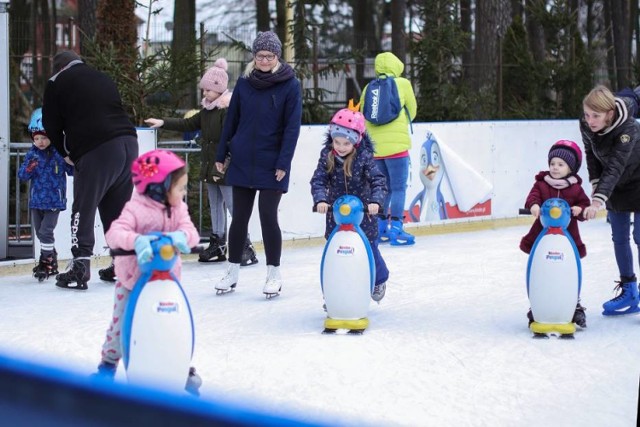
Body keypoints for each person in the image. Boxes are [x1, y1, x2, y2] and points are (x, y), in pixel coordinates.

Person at [91, 149, 201, 395]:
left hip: (167, 280)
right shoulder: (135, 208)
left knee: (174, 323)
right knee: (120, 327)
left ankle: (180, 366)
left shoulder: (178, 208)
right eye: (180, 188)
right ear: (159, 186)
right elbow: (114, 234)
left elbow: (191, 232)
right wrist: (136, 241)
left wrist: (181, 236)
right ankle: (107, 366)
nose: (184, 193)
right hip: (132, 281)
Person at [145, 58, 258, 267]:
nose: (204, 93)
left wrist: (227, 160)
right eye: (203, 90)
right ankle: (218, 243)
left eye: (207, 90)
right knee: (215, 205)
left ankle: (245, 246)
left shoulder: (226, 111)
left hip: (226, 167)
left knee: (234, 207)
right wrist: (163, 122)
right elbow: (187, 123)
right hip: (210, 167)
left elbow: (234, 138)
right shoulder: (207, 111)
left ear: (219, 89)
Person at [214, 31, 302, 298]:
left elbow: (291, 128)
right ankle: (232, 271)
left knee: (267, 216)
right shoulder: (244, 83)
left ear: (277, 57)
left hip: (272, 161)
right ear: (254, 56)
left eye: (270, 56)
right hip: (242, 159)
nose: (264, 60)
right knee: (239, 217)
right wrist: (221, 154)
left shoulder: (290, 85)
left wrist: (283, 162)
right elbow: (232, 121)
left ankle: (273, 273)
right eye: (260, 55)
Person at [42, 50, 139, 290]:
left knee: (83, 207)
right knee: (116, 208)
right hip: (129, 143)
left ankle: (80, 266)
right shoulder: (102, 77)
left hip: (97, 149)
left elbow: (50, 124)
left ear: (59, 68)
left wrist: (66, 154)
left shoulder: (56, 82)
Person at [310, 103, 389, 302]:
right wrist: (320, 199)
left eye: (346, 143)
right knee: (336, 253)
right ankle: (335, 294)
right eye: (337, 142)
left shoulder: (364, 157)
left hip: (364, 216)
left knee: (369, 248)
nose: (341, 147)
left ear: (356, 141)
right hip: (336, 216)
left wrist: (375, 203)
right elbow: (318, 179)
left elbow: (378, 181)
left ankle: (379, 279)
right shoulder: (327, 155)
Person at [582, 84, 640, 316]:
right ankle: (630, 291)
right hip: (614, 185)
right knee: (619, 237)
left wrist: (597, 200)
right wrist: (596, 185)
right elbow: (591, 155)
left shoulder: (629, 128)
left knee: (639, 236)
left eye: (595, 116)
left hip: (638, 178)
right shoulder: (587, 124)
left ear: (610, 114)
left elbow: (617, 164)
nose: (590, 120)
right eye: (587, 115)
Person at [519, 140, 591, 327]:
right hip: (542, 233)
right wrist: (534, 205)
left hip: (568, 235)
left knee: (569, 269)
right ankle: (538, 303)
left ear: (571, 168)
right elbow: (533, 196)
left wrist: (579, 209)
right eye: (552, 164)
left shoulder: (575, 188)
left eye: (560, 164)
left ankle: (574, 304)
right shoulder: (542, 184)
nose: (555, 168)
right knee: (539, 267)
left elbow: (584, 204)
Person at [359, 51, 417, 246]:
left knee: (383, 189)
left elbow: (362, 113)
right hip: (397, 148)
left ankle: (381, 227)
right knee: (398, 188)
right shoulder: (403, 84)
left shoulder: (369, 87)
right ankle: (397, 228)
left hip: (375, 149)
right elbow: (413, 110)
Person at [18, 108, 74, 281]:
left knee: (46, 231)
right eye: (36, 139)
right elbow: (22, 176)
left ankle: (46, 262)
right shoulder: (32, 154)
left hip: (53, 201)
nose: (40, 142)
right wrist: (29, 167)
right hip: (36, 201)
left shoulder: (58, 154)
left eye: (44, 138)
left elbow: (71, 170)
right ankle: (52, 258)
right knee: (40, 233)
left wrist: (73, 159)